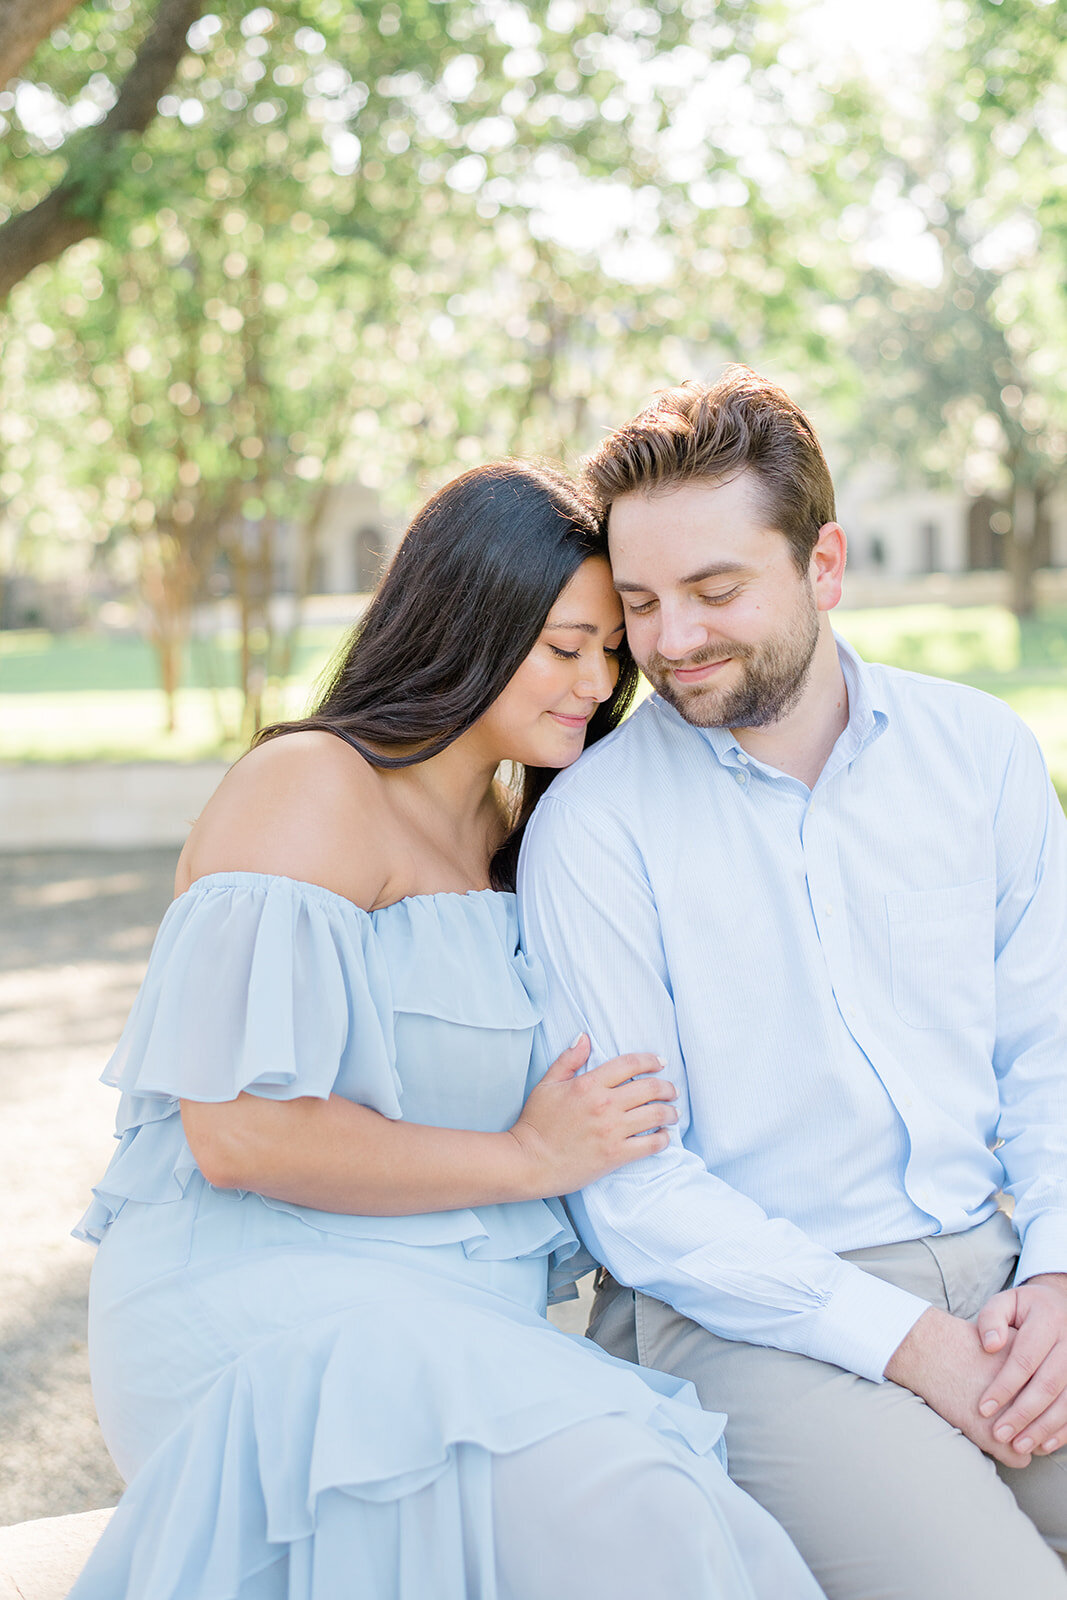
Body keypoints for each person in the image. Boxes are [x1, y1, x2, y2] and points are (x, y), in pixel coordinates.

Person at [69, 461, 822, 1600]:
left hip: (448, 1322)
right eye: (564, 646)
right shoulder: (309, 787)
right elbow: (241, 1136)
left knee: (674, 1505)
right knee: (631, 1494)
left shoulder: (528, 829)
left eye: (609, 649)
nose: (597, 679)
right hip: (257, 1309)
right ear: (466, 621)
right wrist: (525, 1156)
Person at [518, 370, 1067, 1600]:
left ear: (822, 563)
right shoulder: (595, 828)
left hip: (1002, 1269)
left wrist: (1054, 1274)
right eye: (642, 602)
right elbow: (635, 1191)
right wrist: (909, 1345)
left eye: (715, 590)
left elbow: (1049, 1046)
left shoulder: (976, 753)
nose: (670, 641)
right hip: (751, 1316)